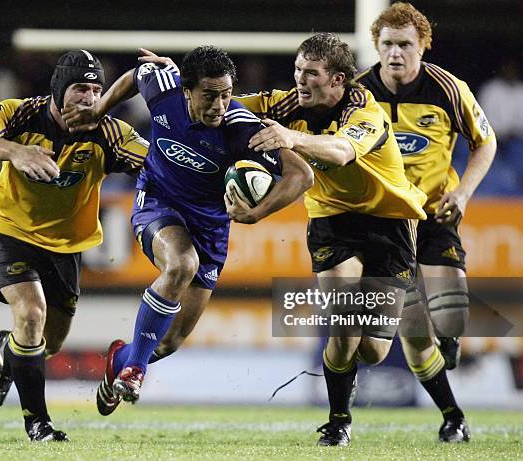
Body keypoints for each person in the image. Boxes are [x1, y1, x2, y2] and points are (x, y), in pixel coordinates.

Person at [63, 46, 313, 415]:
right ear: (186, 90)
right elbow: (136, 76)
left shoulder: (243, 129)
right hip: (158, 202)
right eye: (210, 96)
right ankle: (134, 370)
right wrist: (99, 111)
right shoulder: (164, 89)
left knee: (170, 341)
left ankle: (122, 361)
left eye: (226, 95)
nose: (219, 105)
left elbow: (301, 175)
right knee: (181, 264)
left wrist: (257, 213)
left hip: (211, 227)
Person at [234, 32, 429, 447]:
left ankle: (347, 377)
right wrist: (174, 80)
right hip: (332, 220)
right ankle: (338, 420)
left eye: (312, 74)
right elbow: (223, 104)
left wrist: (293, 138)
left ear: (339, 79)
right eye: (297, 71)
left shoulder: (367, 113)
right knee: (343, 325)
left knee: (373, 351)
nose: (300, 80)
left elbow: (341, 151)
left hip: (388, 222)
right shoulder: (286, 104)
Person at [0, 50, 149, 441]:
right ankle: (38, 425)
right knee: (31, 312)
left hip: (67, 245)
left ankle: (6, 354)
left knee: (48, 343)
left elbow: (157, 164)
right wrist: (16, 151)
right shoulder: (21, 114)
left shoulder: (109, 132)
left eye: (96, 90)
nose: (89, 98)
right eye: (79, 89)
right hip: (10, 229)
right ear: (59, 90)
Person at [357, 1, 497, 440]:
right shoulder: (358, 94)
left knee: (451, 317)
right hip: (382, 222)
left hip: (435, 212)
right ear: (376, 46)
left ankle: (450, 337)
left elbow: (485, 142)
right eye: (387, 44)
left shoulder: (449, 89)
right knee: (412, 335)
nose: (395, 53)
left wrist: (462, 193)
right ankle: (452, 416)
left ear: (422, 47)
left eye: (405, 44)